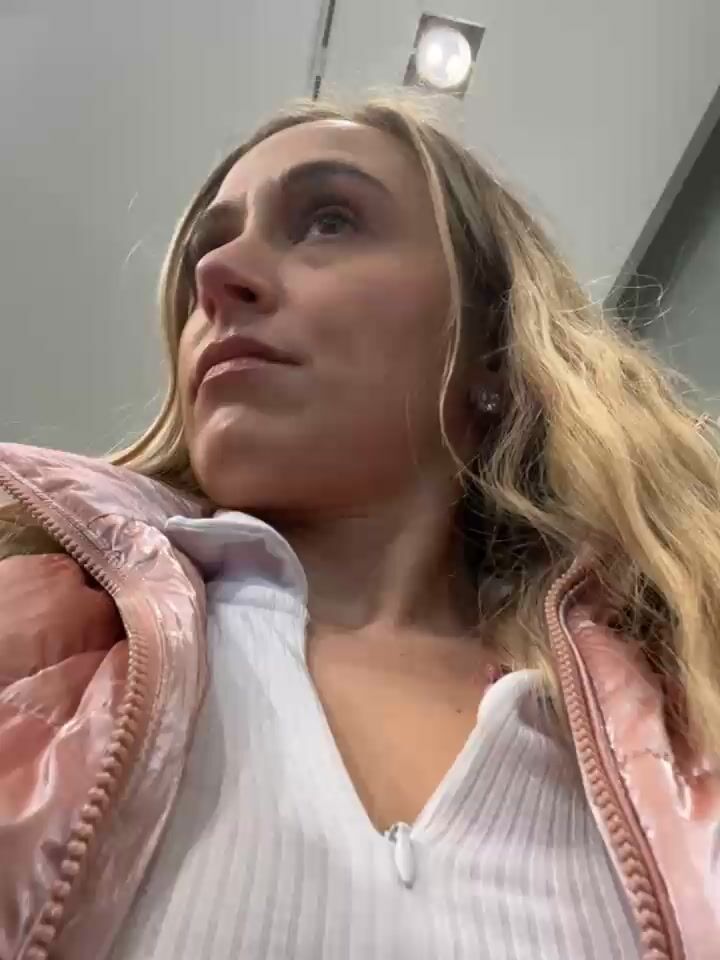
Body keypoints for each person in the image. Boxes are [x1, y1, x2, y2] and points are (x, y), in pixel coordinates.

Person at [0, 94, 717, 960]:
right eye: (204, 252)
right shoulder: (30, 639)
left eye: (330, 221)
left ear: (490, 345)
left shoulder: (690, 715)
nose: (218, 274)